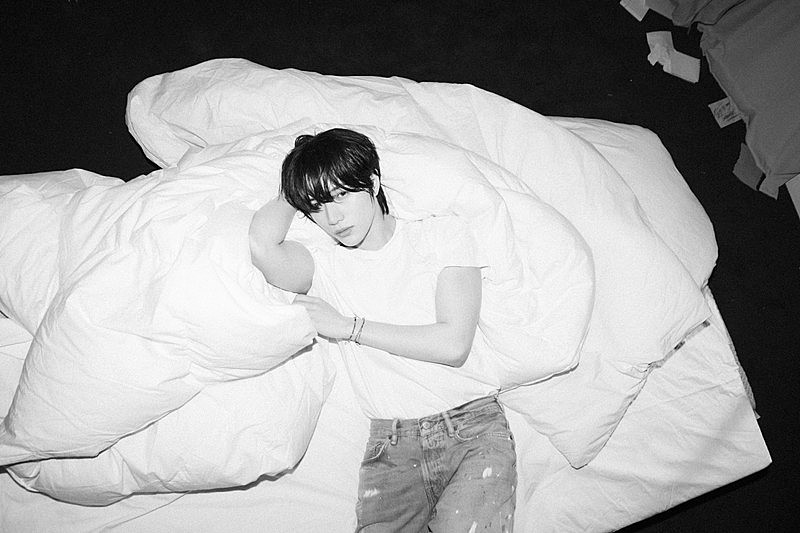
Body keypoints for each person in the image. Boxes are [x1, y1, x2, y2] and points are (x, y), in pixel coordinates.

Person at [249, 128, 516, 532]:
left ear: (372, 182)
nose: (333, 218)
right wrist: (298, 182)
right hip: (390, 451)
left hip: (472, 431)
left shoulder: (441, 234)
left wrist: (349, 327)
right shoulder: (324, 264)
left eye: (341, 194)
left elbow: (453, 344)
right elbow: (262, 246)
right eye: (317, 206)